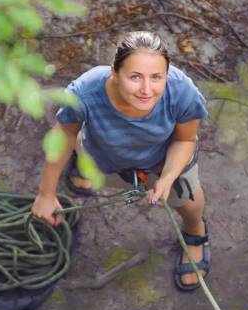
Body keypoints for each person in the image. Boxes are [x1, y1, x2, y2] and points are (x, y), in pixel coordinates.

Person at [31, 31, 211, 291]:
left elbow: (184, 140)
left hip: (161, 162)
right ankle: (82, 163)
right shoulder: (86, 91)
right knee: (80, 146)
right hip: (104, 156)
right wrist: (45, 194)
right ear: (114, 72)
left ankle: (196, 233)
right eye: (135, 77)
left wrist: (168, 178)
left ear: (167, 74)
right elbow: (64, 133)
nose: (147, 90)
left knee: (188, 200)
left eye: (156, 78)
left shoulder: (182, 92)